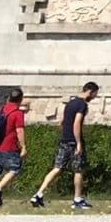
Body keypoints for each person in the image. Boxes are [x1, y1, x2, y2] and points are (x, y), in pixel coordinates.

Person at [31, 81, 98, 209]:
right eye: (94, 94)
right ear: (90, 91)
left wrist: (64, 132)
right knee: (78, 169)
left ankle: (38, 194)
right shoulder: (82, 105)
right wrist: (78, 142)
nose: (94, 97)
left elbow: (61, 121)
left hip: (64, 140)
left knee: (57, 168)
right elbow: (76, 123)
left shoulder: (71, 103)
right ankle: (77, 199)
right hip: (73, 141)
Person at [0, 87, 27, 206]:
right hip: (9, 147)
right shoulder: (17, 113)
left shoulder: (1, 109)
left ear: (9, 98)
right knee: (15, 169)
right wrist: (23, 146)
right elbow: (19, 130)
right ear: (20, 99)